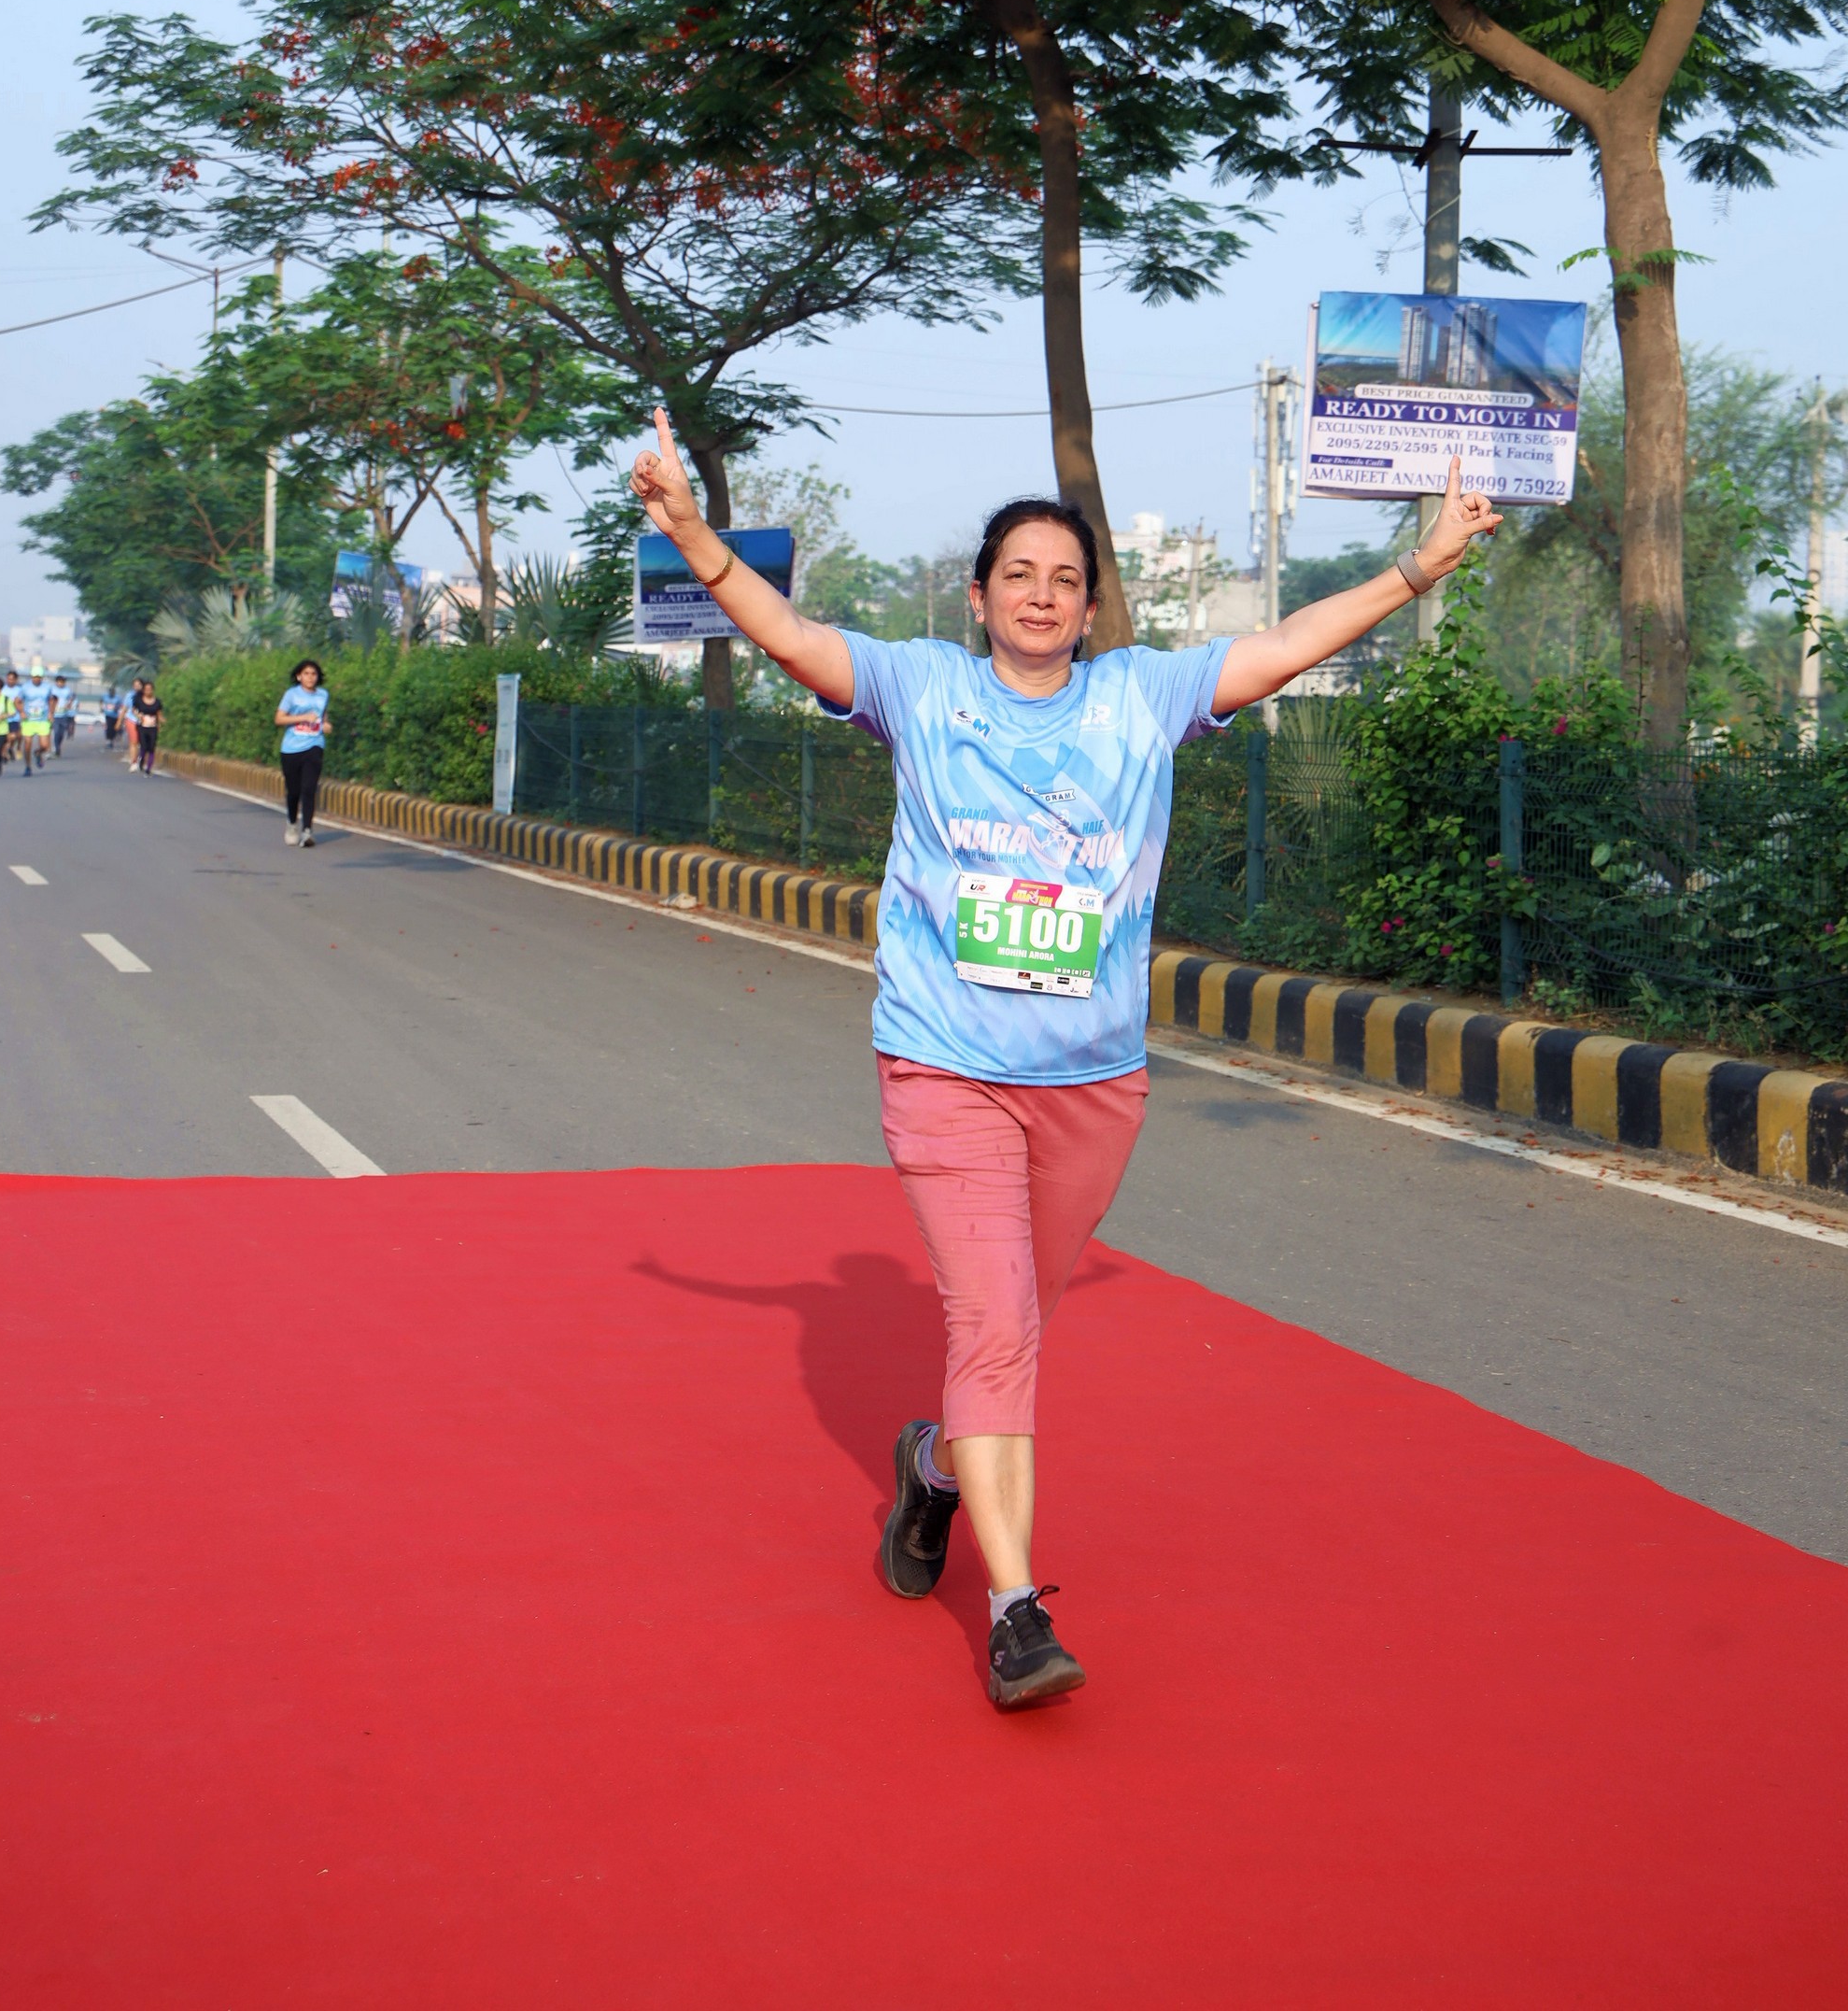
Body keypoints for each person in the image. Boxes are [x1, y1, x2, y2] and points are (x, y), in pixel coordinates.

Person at [631, 409, 1501, 1713]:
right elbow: (791, 636)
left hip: (1092, 1082)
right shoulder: (921, 689)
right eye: (1018, 575)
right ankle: (1016, 1614)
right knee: (993, 1329)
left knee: (1014, 1331)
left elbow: (1282, 646)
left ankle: (932, 1470)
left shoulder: (1142, 699)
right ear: (978, 597)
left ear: (1090, 609)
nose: (1040, 596)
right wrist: (695, 533)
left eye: (1064, 580)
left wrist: (1416, 568)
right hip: (943, 1064)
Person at [274, 659, 330, 846]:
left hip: (314, 745)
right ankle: (292, 824)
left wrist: (326, 725)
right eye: (306, 674)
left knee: (309, 788)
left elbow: (323, 716)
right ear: (299, 676)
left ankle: (307, 831)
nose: (310, 677)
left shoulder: (323, 695)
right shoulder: (291, 695)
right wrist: (303, 717)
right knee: (294, 792)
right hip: (291, 748)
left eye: (313, 674)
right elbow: (279, 719)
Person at [18, 668, 53, 775]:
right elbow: (18, 701)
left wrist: (51, 713)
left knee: (45, 746)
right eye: (34, 677)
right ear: (31, 677)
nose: (36, 679)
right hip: (28, 720)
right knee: (27, 744)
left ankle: (38, 753)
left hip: (42, 720)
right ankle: (28, 767)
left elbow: (51, 700)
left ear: (42, 677)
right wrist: (21, 712)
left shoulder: (47, 687)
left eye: (38, 677)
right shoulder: (25, 687)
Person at [128, 676, 163, 776]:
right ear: (143, 690)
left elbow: (159, 714)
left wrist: (162, 722)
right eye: (146, 689)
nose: (148, 691)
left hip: (153, 728)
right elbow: (133, 710)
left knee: (151, 748)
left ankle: (148, 769)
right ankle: (141, 760)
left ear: (153, 690)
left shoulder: (157, 702)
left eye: (150, 689)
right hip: (142, 727)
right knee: (144, 747)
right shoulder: (139, 701)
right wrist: (138, 715)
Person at [51, 673, 77, 758]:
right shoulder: (52, 690)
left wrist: (69, 704)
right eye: (59, 682)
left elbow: (72, 697)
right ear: (56, 682)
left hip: (64, 715)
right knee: (56, 732)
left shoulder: (67, 690)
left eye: (62, 682)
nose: (61, 683)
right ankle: (56, 749)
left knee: (61, 733)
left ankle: (58, 746)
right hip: (55, 715)